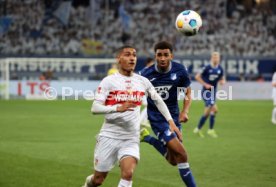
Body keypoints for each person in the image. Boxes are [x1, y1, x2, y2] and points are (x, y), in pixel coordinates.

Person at [82, 45, 181, 187]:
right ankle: (88, 183)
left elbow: (158, 101)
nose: (132, 58)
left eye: (134, 55)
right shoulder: (108, 81)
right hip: (109, 136)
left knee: (128, 174)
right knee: (98, 180)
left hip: (131, 137)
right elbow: (94, 108)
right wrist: (118, 108)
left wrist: (170, 121)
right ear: (119, 59)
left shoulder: (142, 81)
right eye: (127, 55)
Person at [140, 41, 196, 187]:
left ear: (171, 55)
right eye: (159, 55)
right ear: (155, 56)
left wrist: (185, 111)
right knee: (182, 155)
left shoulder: (180, 70)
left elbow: (187, 91)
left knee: (173, 160)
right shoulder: (146, 74)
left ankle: (148, 138)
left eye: (166, 55)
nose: (163, 58)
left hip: (174, 116)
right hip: (157, 119)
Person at [193, 51, 225, 138]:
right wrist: (205, 84)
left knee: (212, 111)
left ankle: (200, 129)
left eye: (217, 57)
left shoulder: (220, 69)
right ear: (211, 58)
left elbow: (222, 78)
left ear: (219, 59)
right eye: (214, 57)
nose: (215, 58)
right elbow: (197, 77)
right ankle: (207, 130)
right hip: (206, 92)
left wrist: (222, 81)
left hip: (213, 92)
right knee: (212, 107)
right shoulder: (207, 67)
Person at [138, 57, 155, 128]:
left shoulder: (145, 71)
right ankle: (141, 121)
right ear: (149, 63)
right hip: (143, 92)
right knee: (149, 106)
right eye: (152, 63)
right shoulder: (145, 71)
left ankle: (143, 120)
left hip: (146, 92)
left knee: (150, 106)